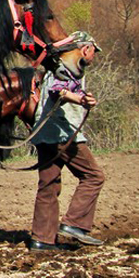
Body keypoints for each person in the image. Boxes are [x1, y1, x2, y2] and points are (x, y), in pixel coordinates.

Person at [28, 32, 107, 251]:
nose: (94, 57)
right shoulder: (67, 65)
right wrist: (81, 99)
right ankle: (76, 225)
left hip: (44, 134)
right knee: (93, 176)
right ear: (86, 49)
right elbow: (57, 91)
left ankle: (41, 239)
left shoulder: (58, 64)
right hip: (62, 133)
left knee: (48, 185)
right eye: (94, 52)